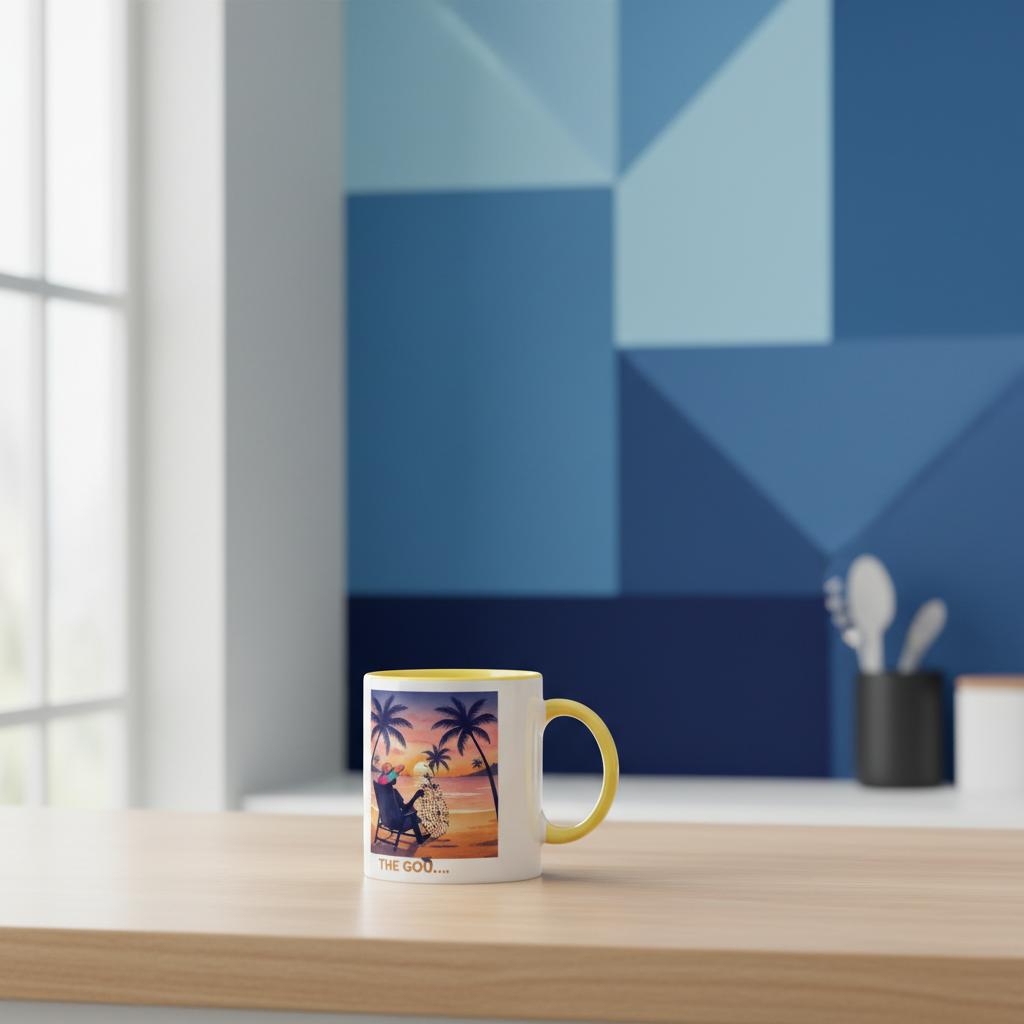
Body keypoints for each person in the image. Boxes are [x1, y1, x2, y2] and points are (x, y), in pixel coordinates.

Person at [376, 763, 427, 843]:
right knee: (413, 816)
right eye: (394, 775)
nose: (396, 776)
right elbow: (401, 766)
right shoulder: (386, 782)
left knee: (412, 813)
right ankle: (420, 840)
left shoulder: (381, 785)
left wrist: (416, 796)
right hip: (395, 822)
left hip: (385, 819)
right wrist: (416, 796)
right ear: (387, 772)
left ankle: (417, 822)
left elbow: (404, 807)